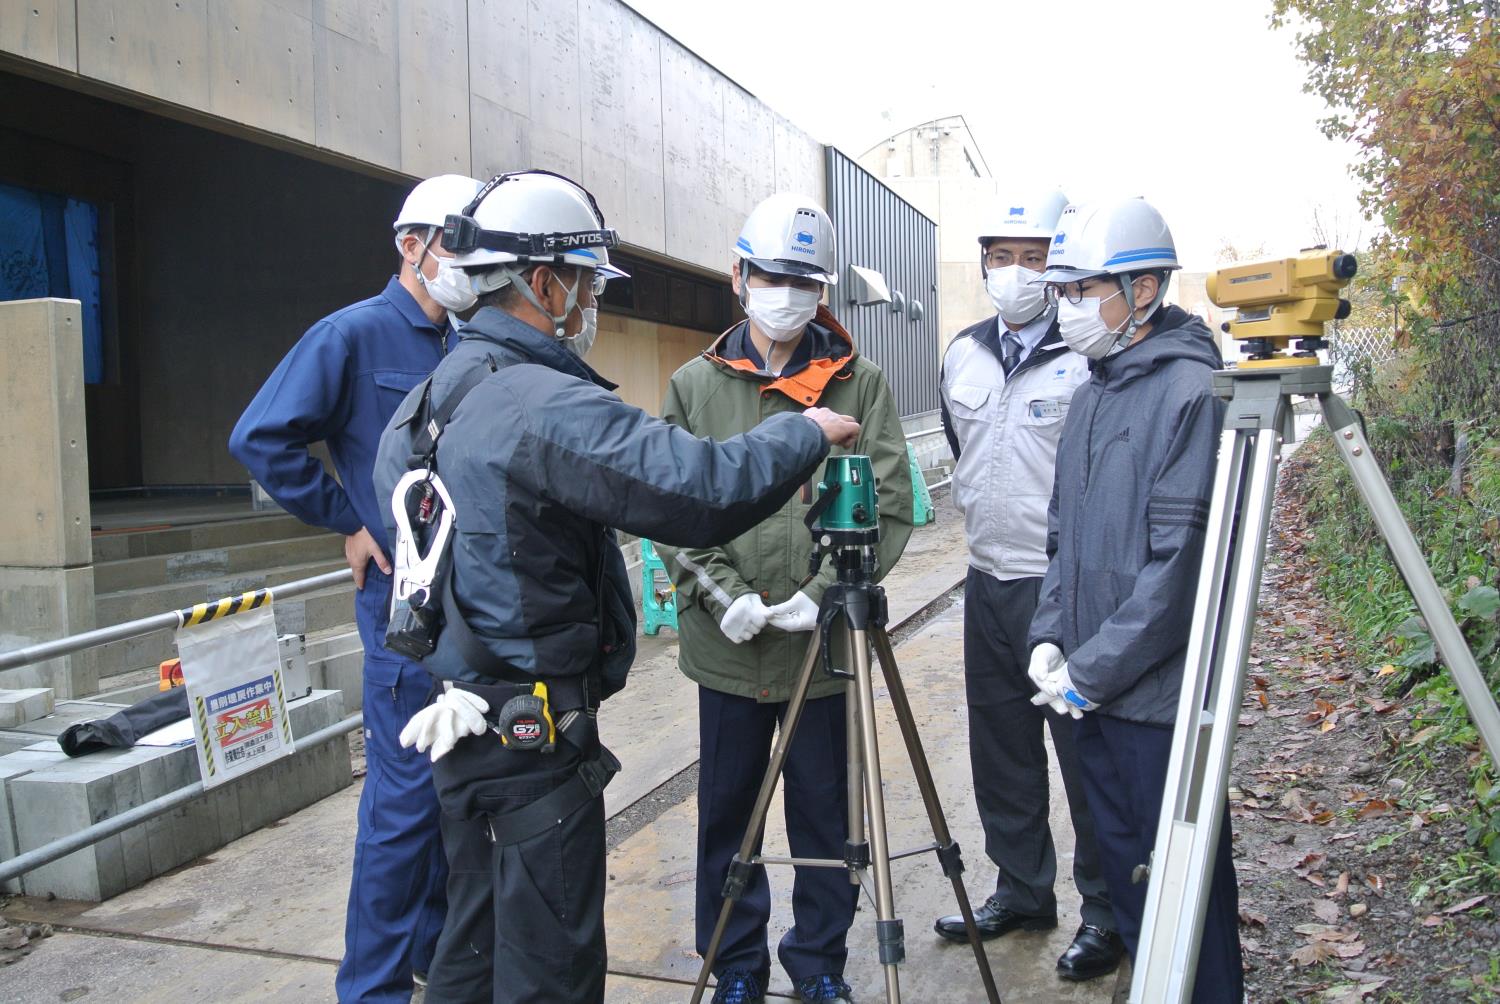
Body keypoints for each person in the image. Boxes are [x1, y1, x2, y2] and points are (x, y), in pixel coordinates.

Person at [371, 170, 863, 1004]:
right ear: (546, 281)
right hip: (533, 737)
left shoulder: (432, 398)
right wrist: (805, 433)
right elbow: (698, 489)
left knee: (474, 944)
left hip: (463, 718)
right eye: (589, 283)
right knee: (548, 963)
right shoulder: (542, 402)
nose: (592, 302)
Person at [228, 173, 482, 1002]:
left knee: (460, 798)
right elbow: (261, 436)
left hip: (479, 602)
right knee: (405, 806)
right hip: (403, 601)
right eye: (458, 244)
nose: (471, 263)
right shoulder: (354, 336)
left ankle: (438, 967)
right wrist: (350, 518)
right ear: (412, 246)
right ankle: (370, 991)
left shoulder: (477, 342)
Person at [655, 193, 914, 1004]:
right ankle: (735, 966)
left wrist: (827, 593)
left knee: (827, 818)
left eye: (805, 279)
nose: (788, 293)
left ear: (824, 290)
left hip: (822, 647)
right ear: (739, 276)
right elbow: (667, 504)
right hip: (727, 649)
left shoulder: (857, 384)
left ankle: (820, 966)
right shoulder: (694, 386)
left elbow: (890, 502)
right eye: (772, 274)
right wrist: (720, 591)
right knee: (728, 817)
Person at [1026, 198, 1244, 1000]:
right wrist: (1051, 637)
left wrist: (1094, 669)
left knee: (1188, 887)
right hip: (1089, 698)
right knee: (1127, 876)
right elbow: (1062, 539)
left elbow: (1178, 571)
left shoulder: (1193, 393)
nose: (1069, 308)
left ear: (1144, 289)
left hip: (1153, 702)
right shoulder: (1093, 393)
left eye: (1084, 290)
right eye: (1065, 292)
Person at [932, 191, 1123, 982]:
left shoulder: (1091, 356)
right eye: (1002, 256)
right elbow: (964, 452)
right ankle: (1021, 887)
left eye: (1035, 257)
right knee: (1001, 749)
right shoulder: (960, 354)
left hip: (1065, 589)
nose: (1015, 273)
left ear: (1061, 264)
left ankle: (1106, 910)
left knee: (1084, 754)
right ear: (984, 262)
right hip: (988, 579)